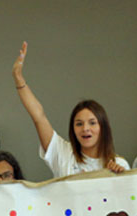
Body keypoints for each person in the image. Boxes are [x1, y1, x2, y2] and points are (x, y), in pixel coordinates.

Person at [12, 42, 129, 178]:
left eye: (92, 123)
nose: (85, 129)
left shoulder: (119, 164)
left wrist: (121, 176)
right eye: (79, 123)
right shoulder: (63, 153)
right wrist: (18, 78)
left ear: (103, 126)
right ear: (72, 129)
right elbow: (39, 117)